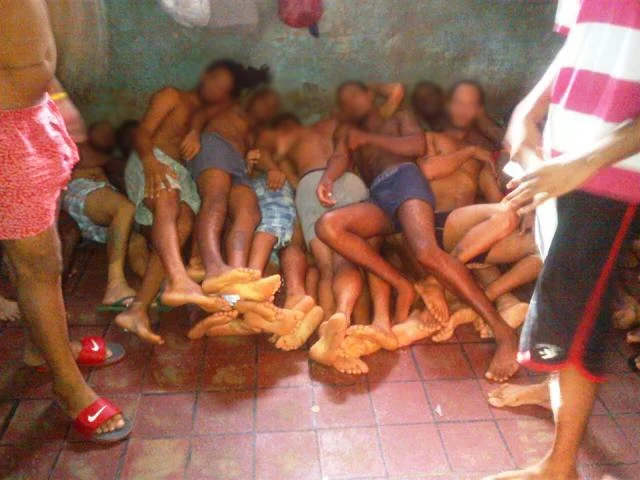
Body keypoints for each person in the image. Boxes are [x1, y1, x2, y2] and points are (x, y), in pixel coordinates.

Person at [486, 1, 640, 478]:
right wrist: (528, 110)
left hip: (608, 173)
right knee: (559, 297)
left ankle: (559, 467)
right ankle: (557, 391)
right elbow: (581, 44)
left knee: (578, 318)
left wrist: (582, 163)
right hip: (557, 164)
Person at [315, 81, 520, 382]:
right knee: (328, 226)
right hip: (378, 196)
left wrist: (369, 137)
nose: (352, 104)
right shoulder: (346, 131)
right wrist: (328, 178)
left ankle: (503, 333)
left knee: (427, 253)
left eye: (356, 95)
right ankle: (402, 284)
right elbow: (339, 157)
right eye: (345, 101)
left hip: (405, 179)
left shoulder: (399, 117)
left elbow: (416, 146)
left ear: (371, 95)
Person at [1, 0, 130, 442]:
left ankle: (42, 348)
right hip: (5, 127)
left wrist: (54, 93)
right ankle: (68, 386)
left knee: (37, 254)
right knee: (38, 262)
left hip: (28, 118)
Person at [115, 64, 232, 344]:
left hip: (181, 176)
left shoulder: (204, 116)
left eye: (225, 88)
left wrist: (195, 132)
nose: (218, 90)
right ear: (204, 76)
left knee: (183, 223)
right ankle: (179, 279)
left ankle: (137, 310)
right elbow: (142, 132)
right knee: (167, 199)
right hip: (154, 161)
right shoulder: (172, 95)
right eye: (216, 80)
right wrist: (149, 162)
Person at [180, 60, 280, 301]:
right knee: (216, 199)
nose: (267, 108)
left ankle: (236, 275)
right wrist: (194, 132)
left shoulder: (256, 132)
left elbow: (258, 161)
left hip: (236, 165)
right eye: (264, 101)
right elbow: (201, 114)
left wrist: (254, 165)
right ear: (252, 96)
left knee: (249, 211)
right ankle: (214, 266)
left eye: (272, 108)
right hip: (215, 146)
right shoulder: (231, 107)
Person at [63, 121, 148, 308]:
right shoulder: (75, 145)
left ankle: (157, 286)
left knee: (136, 241)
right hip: (76, 190)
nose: (105, 135)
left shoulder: (114, 162)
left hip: (97, 204)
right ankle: (115, 285)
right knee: (125, 208)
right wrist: (74, 174)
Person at [418, 82, 504, 212]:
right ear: (447, 106)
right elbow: (428, 171)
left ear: (478, 111)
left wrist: (484, 121)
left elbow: (509, 143)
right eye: (458, 103)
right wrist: (470, 152)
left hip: (465, 220)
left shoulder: (483, 152)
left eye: (471, 105)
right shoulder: (430, 137)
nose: (463, 110)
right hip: (432, 216)